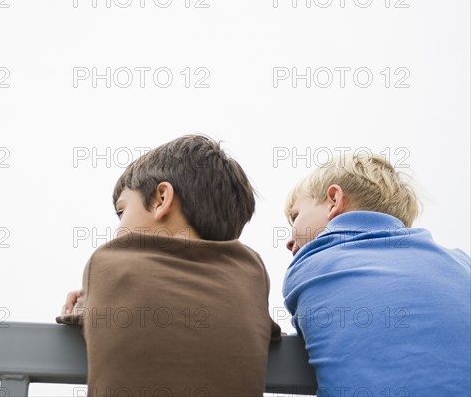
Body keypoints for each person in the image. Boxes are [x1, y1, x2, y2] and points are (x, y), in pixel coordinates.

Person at [57, 134, 282, 397]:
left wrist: (85, 300)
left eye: (122, 211)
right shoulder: (251, 271)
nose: (118, 229)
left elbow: (82, 315)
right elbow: (266, 330)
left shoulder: (110, 260)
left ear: (161, 199)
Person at [283, 152, 471, 397]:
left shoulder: (312, 261)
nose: (289, 241)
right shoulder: (462, 264)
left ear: (333, 200)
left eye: (295, 217)